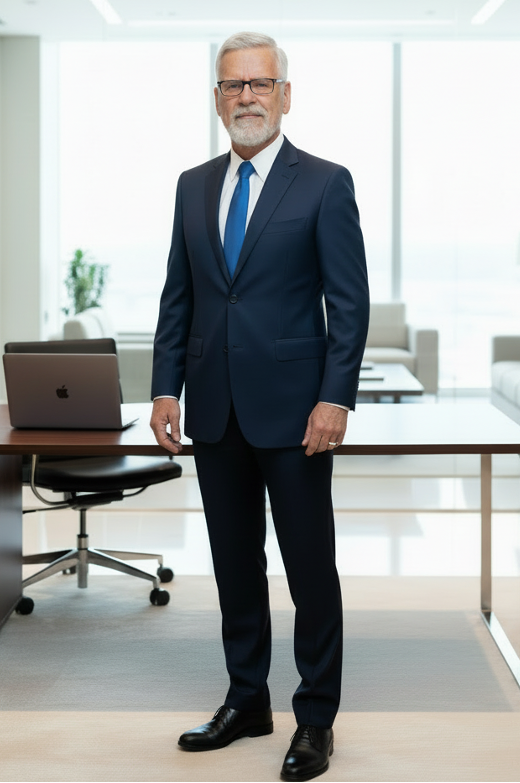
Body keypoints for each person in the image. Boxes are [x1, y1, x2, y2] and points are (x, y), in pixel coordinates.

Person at [150, 31, 369, 782]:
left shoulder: (325, 183)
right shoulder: (192, 185)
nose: (247, 96)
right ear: (217, 100)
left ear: (285, 95)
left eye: (260, 83)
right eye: (233, 85)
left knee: (310, 568)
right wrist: (165, 387)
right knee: (234, 567)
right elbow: (178, 296)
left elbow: (349, 303)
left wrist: (335, 396)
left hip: (296, 412)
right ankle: (247, 699)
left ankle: (316, 718)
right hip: (215, 410)